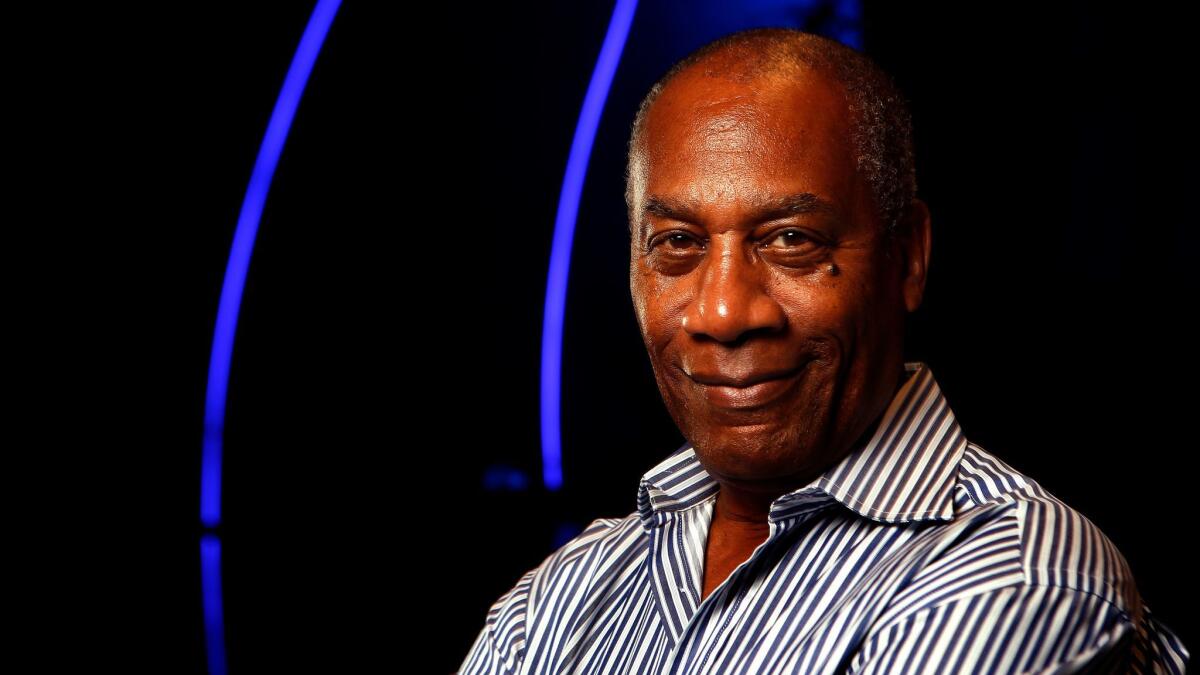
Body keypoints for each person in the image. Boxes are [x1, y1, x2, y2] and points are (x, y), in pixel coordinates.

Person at [459, 27, 1190, 674]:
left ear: (907, 258)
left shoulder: (1020, 579)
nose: (721, 312)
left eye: (789, 241)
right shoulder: (559, 598)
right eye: (677, 244)